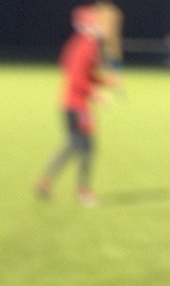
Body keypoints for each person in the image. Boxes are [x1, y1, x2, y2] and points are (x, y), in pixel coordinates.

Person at [36, 6, 116, 207]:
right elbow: (78, 79)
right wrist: (96, 94)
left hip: (68, 104)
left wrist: (105, 82)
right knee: (87, 148)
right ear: (89, 25)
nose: (101, 26)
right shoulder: (88, 45)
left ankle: (45, 182)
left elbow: (80, 73)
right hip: (78, 106)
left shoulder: (77, 43)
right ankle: (84, 192)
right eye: (97, 22)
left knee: (74, 145)